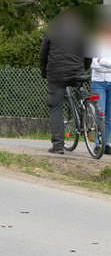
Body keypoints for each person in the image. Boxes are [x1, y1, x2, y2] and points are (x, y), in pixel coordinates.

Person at [39, 8, 91, 154]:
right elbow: (88, 55)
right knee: (82, 93)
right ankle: (87, 111)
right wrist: (84, 69)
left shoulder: (52, 30)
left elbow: (43, 54)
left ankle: (58, 146)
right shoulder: (81, 30)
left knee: (56, 107)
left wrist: (44, 72)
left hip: (56, 75)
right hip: (77, 72)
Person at [91, 13, 111, 155]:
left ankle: (106, 143)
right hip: (98, 82)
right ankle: (98, 144)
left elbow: (100, 62)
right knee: (100, 114)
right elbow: (94, 65)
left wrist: (103, 62)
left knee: (110, 116)